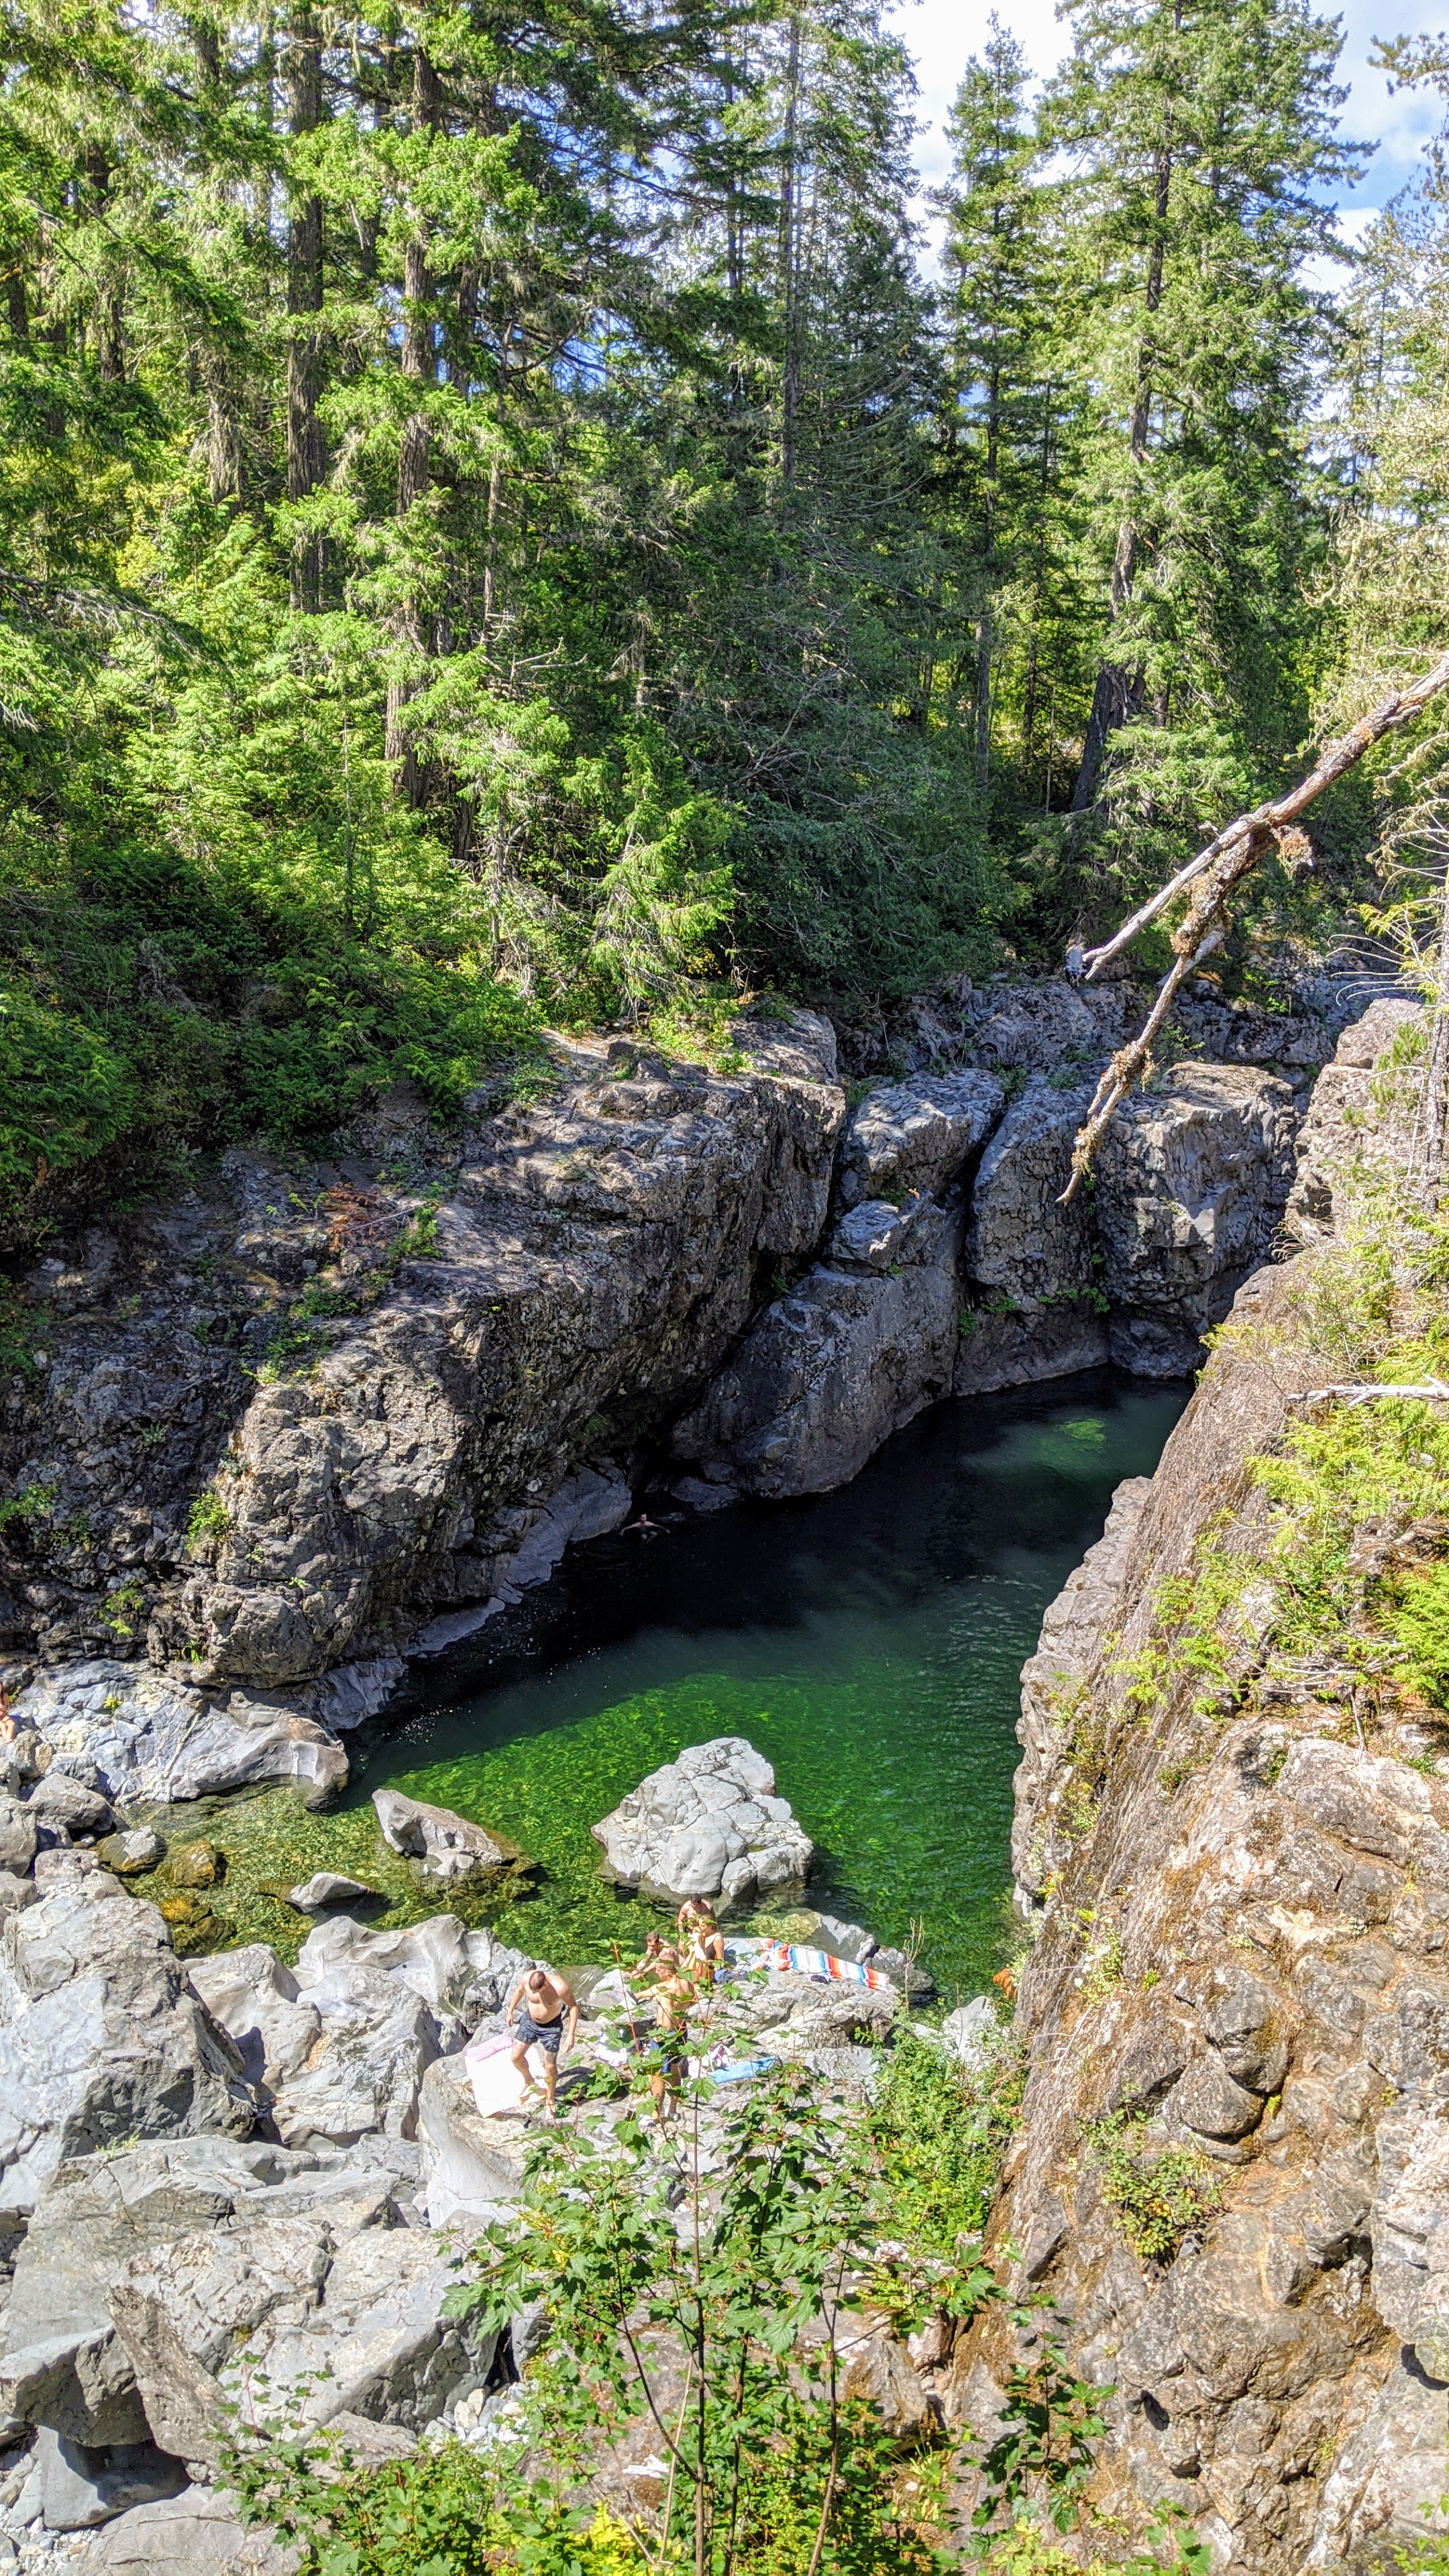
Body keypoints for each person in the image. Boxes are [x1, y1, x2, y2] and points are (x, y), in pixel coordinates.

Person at [504, 1964, 578, 2120]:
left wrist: (571, 2034)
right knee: (515, 2057)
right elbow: (518, 1991)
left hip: (551, 2028)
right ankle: (529, 2080)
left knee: (550, 2065)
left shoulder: (559, 1987)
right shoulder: (526, 1978)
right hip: (529, 2022)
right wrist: (510, 2011)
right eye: (532, 1992)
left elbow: (573, 2006)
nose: (534, 1994)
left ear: (545, 1985)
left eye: (538, 1991)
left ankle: (550, 2099)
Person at [649, 1964, 692, 2122]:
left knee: (657, 2074)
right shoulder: (686, 1983)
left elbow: (638, 1996)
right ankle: (673, 2110)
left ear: (668, 1971)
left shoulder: (664, 1988)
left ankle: (655, 2115)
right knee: (675, 2069)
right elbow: (693, 2000)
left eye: (658, 1970)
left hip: (664, 2035)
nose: (655, 1972)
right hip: (680, 2031)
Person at [677, 1897, 726, 1986]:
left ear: (710, 1927)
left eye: (702, 1926)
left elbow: (721, 1962)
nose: (699, 1928)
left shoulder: (717, 1938)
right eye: (699, 1925)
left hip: (709, 1970)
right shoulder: (698, 1933)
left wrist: (706, 1962)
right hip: (696, 1967)